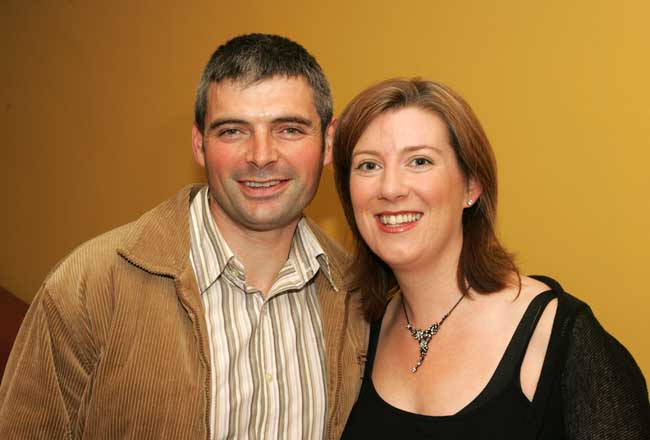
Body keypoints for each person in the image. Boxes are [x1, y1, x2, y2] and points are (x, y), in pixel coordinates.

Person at [0, 34, 368, 440]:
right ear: (199, 145)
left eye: (290, 129)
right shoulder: (87, 288)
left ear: (328, 142)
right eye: (232, 131)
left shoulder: (359, 297)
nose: (261, 156)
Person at [332, 78, 650, 438]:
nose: (390, 189)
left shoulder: (558, 336)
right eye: (368, 166)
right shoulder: (359, 332)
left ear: (471, 186)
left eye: (419, 161)